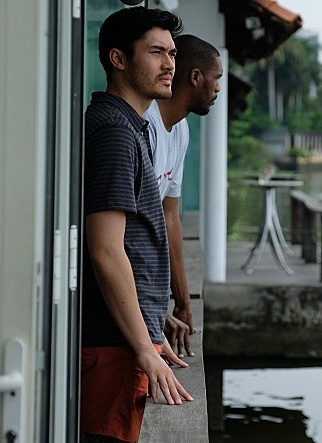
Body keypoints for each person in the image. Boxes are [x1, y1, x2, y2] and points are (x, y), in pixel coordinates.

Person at [81, 7, 192, 443]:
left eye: (172, 53)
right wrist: (145, 348)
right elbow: (106, 250)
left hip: (125, 338)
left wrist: (152, 322)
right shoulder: (114, 131)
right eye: (156, 52)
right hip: (110, 343)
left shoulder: (131, 126)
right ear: (118, 59)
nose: (169, 65)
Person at [144, 34, 223, 359]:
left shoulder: (180, 129)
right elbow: (126, 233)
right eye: (216, 78)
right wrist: (150, 311)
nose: (218, 88)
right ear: (196, 77)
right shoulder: (145, 125)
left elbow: (169, 216)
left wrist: (183, 301)